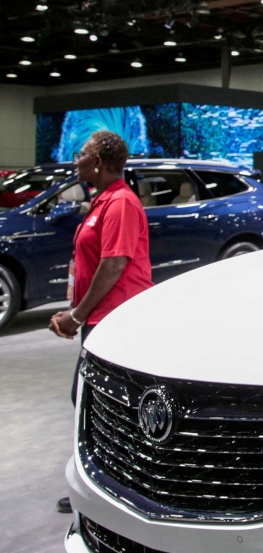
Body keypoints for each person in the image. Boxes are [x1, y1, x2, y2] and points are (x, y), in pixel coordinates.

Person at [49, 130, 154, 513]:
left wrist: (76, 316)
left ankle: (106, 489)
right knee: (90, 400)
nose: (76, 159)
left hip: (116, 320)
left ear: (99, 162)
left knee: (97, 402)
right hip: (98, 318)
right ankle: (102, 484)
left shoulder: (121, 203)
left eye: (82, 154)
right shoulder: (102, 201)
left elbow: (113, 265)